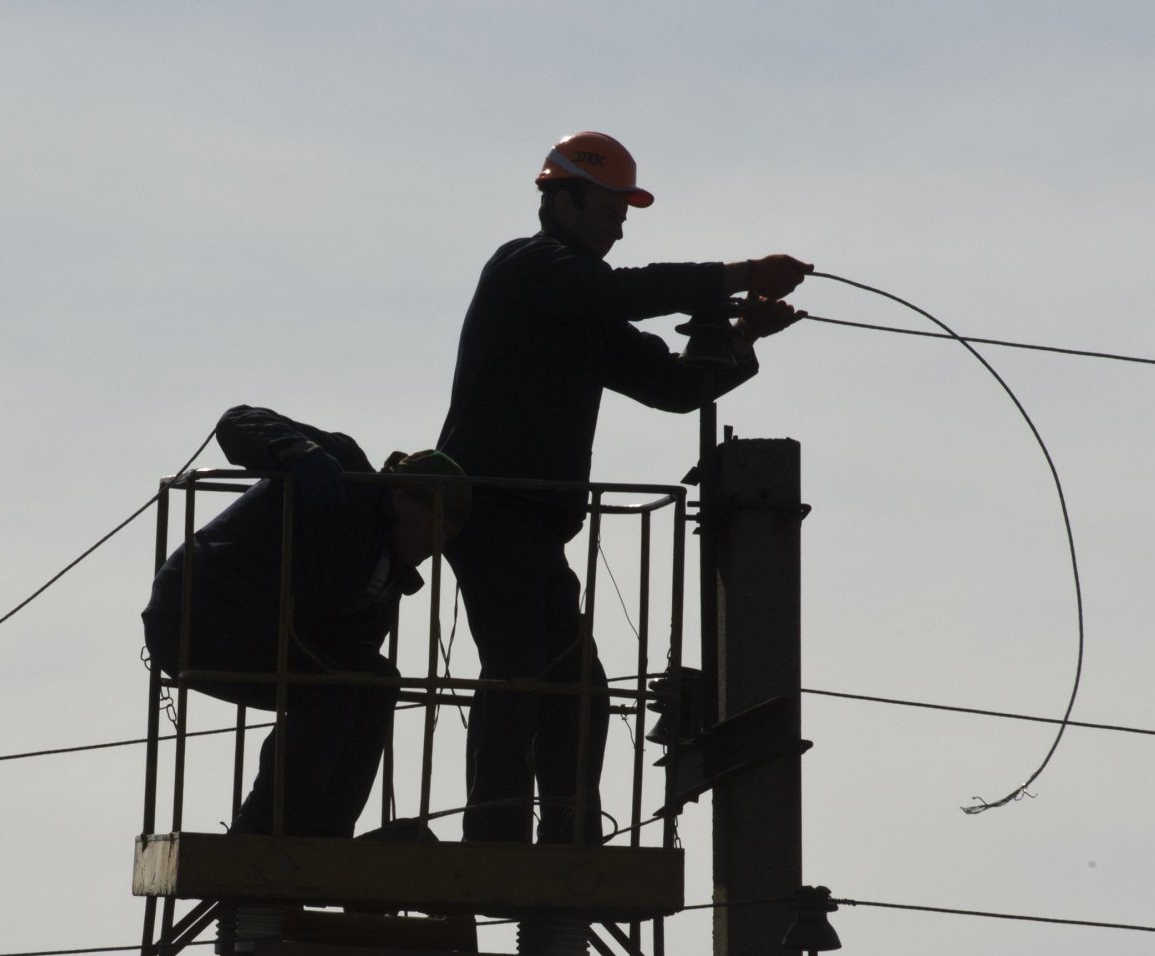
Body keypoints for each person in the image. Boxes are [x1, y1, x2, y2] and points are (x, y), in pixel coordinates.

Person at [436, 131, 811, 843]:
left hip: (535, 523)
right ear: (563, 200)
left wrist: (742, 337)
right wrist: (737, 274)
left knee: (579, 689)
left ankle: (568, 830)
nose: (622, 220)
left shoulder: (581, 311)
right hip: (490, 508)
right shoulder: (529, 267)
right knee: (519, 669)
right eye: (610, 206)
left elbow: (671, 386)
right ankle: (496, 836)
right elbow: (621, 293)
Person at [142, 405, 471, 838]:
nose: (438, 544)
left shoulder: (383, 584)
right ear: (402, 498)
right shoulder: (350, 471)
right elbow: (237, 421)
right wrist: (300, 453)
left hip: (263, 630)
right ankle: (261, 828)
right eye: (438, 526)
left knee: (374, 682)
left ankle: (328, 832)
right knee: (334, 688)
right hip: (201, 607)